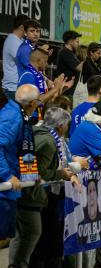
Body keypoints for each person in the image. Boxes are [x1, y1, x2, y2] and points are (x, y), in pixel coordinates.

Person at [8, 107, 80, 268]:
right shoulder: (48, 142)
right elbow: (39, 172)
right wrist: (59, 174)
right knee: (33, 234)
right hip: (31, 196)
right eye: (66, 125)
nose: (67, 129)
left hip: (18, 193)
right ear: (60, 126)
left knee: (20, 237)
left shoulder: (34, 131)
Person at [0, 85, 42, 249]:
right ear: (32, 102)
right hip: (4, 189)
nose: (39, 104)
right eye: (39, 101)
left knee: (7, 236)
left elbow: (21, 148)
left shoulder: (17, 114)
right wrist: (7, 176)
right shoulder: (13, 117)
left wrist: (31, 173)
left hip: (9, 190)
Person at [18, 49, 72, 123]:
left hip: (39, 116)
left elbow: (46, 100)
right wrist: (55, 88)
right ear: (38, 61)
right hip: (31, 117)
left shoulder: (39, 75)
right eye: (46, 61)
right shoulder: (28, 76)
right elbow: (36, 101)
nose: (47, 64)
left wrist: (61, 90)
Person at [2, 14, 29, 100]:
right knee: (18, 113)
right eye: (28, 28)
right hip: (13, 88)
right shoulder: (13, 41)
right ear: (22, 27)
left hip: (16, 87)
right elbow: (26, 61)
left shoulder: (18, 41)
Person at [57, 30, 83, 96]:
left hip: (69, 90)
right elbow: (79, 67)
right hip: (66, 91)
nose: (78, 44)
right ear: (71, 42)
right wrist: (89, 59)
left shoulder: (70, 53)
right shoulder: (65, 52)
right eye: (77, 42)